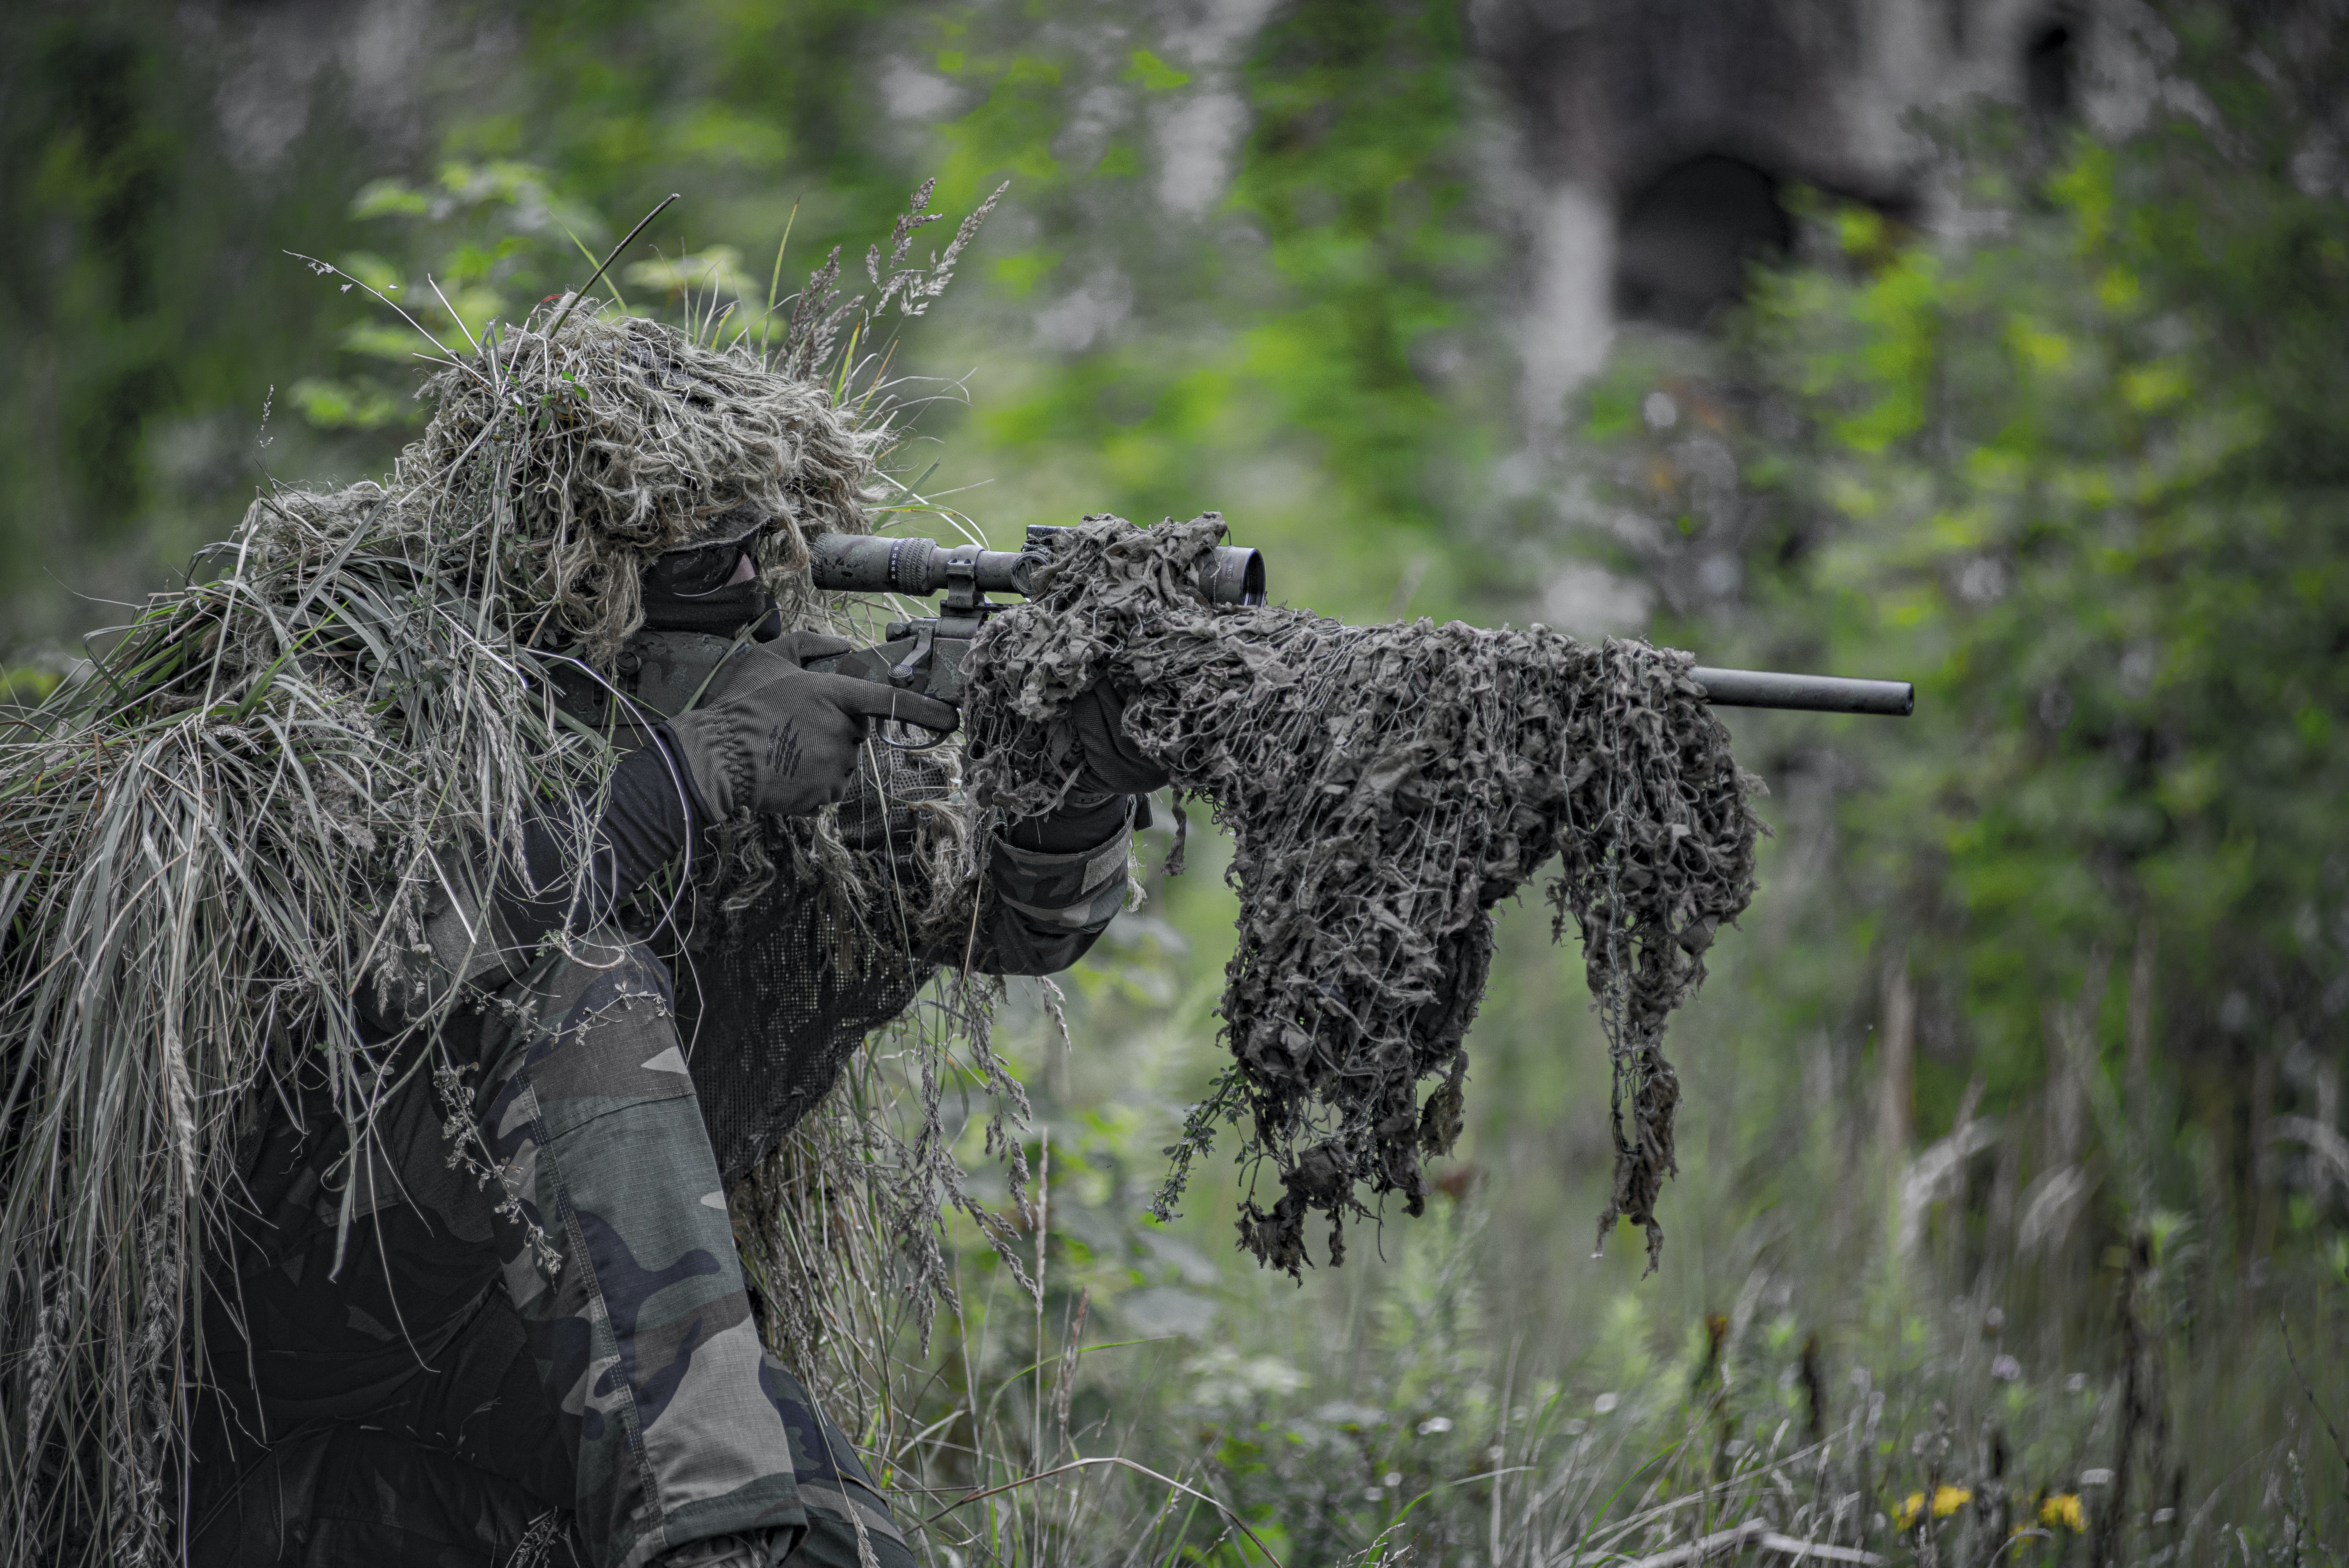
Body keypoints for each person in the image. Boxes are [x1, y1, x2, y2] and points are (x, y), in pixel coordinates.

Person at [185, 504, 1168, 1567]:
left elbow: (1007, 922)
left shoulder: (778, 721)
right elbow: (395, 967)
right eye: (700, 548)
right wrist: (683, 779)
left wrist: (1076, 784)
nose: (750, 570)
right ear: (576, 572)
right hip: (258, 1392)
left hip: (497, 1374)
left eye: (765, 538)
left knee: (830, 1539)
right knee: (585, 984)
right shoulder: (392, 696)